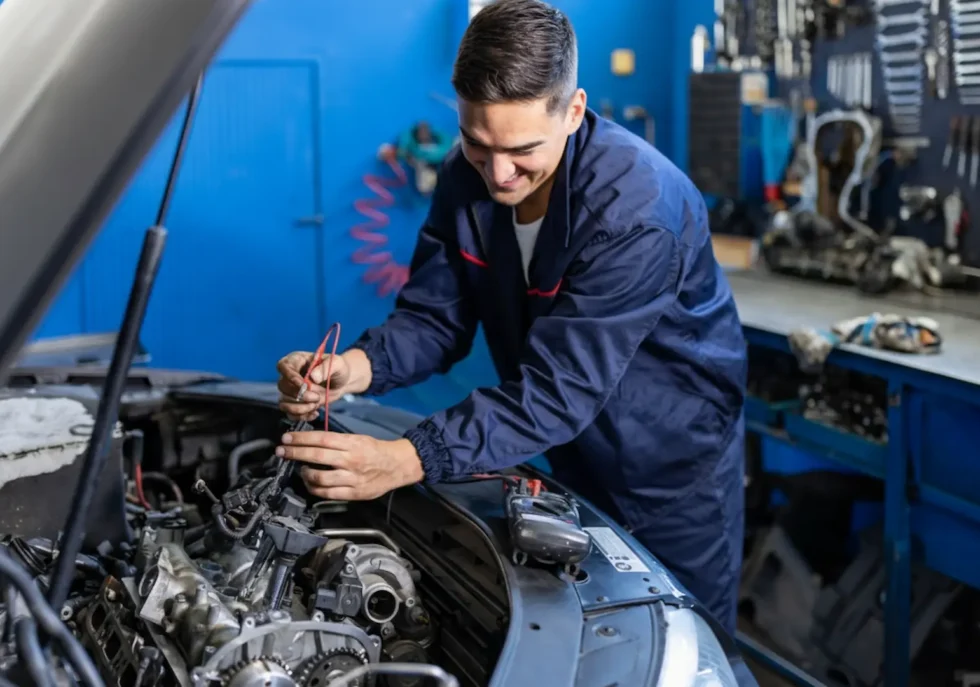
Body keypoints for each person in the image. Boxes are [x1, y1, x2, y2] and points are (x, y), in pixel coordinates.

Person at [276, 0, 748, 640]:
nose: (499, 174)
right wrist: (351, 369)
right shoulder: (464, 177)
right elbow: (435, 318)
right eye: (478, 142)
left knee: (685, 652)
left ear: (574, 111)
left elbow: (558, 389)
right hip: (569, 454)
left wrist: (407, 458)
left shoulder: (637, 211)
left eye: (523, 150)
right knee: (590, 644)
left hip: (670, 472)